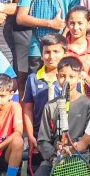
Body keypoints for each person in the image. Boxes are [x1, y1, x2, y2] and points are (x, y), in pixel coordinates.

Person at [25, 57, 90, 176]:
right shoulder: (50, 106)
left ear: (80, 77)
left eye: (71, 76)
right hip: (55, 160)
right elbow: (43, 140)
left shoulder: (88, 105)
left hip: (78, 158)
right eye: (62, 76)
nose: (67, 80)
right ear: (57, 77)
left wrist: (73, 148)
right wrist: (54, 156)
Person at [21, 34, 67, 168]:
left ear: (65, 54)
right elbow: (27, 109)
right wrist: (30, 136)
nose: (51, 56)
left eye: (56, 52)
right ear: (41, 55)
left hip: (62, 136)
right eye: (47, 52)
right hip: (39, 135)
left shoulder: (70, 79)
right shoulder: (33, 79)